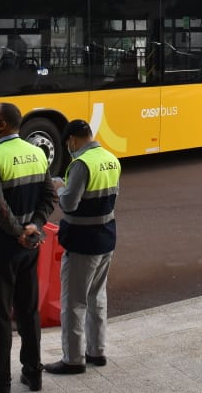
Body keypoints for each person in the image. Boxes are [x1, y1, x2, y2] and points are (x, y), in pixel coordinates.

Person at [0, 102, 55, 393]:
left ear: (2, 125)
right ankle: (33, 373)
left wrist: (17, 232)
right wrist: (36, 226)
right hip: (30, 245)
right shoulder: (37, 153)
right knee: (28, 310)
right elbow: (48, 196)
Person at [44, 120, 121, 376]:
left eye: (68, 144)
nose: (69, 148)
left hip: (82, 242)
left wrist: (58, 187)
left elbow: (69, 203)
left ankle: (73, 359)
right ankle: (97, 352)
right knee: (97, 298)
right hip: (106, 238)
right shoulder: (111, 159)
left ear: (73, 140)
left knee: (74, 302)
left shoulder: (81, 164)